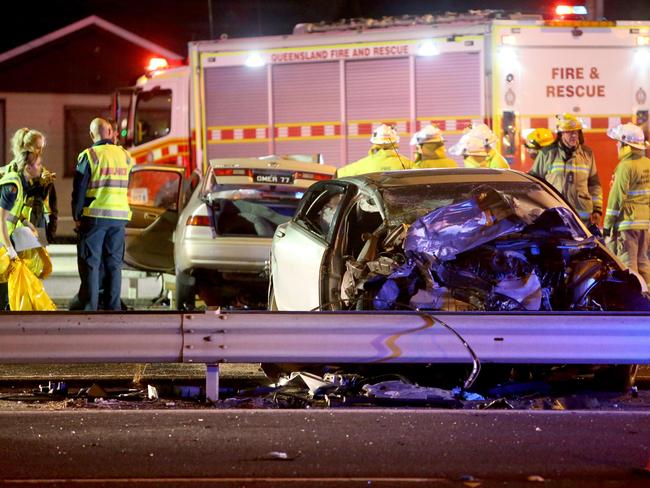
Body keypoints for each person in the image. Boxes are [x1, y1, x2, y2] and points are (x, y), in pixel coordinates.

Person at [71, 117, 133, 311]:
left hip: (94, 219)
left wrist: (77, 215)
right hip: (119, 218)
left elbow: (79, 190)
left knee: (91, 264)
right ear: (110, 132)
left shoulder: (89, 155)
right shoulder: (125, 156)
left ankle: (91, 308)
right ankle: (113, 308)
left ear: (92, 135)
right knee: (114, 265)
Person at [530, 113, 603, 227]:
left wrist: (597, 210)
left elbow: (594, 185)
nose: (574, 135)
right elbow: (533, 183)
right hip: (555, 218)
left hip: (582, 220)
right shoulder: (547, 154)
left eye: (577, 132)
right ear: (561, 133)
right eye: (569, 132)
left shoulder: (587, 154)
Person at [602, 122, 650, 286]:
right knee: (644, 263)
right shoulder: (647, 164)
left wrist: (607, 226)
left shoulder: (625, 166)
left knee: (629, 266)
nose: (617, 145)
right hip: (645, 224)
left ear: (626, 145)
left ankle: (634, 305)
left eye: (618, 142)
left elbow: (616, 198)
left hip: (627, 225)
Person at [0, 146, 42, 310]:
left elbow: (12, 213)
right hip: (2, 240)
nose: (40, 167)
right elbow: (1, 219)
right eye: (38, 164)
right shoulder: (13, 186)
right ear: (27, 167)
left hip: (5, 238)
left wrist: (25, 222)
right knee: (2, 281)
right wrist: (9, 249)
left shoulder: (21, 183)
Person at [336, 124, 412, 177]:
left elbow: (338, 174)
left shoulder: (364, 164)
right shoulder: (407, 163)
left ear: (375, 144)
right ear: (395, 143)